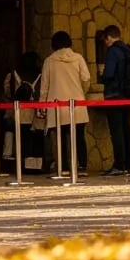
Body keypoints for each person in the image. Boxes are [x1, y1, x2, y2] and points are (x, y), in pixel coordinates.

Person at [42, 31, 91, 174]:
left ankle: (62, 167)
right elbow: (86, 79)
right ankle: (81, 166)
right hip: (77, 104)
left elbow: (44, 87)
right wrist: (81, 92)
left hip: (57, 105)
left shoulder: (49, 61)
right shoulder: (78, 58)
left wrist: (42, 105)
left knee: (59, 137)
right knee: (79, 136)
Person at [98, 25, 130, 176]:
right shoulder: (128, 49)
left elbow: (109, 74)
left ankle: (119, 164)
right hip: (128, 94)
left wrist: (101, 74)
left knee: (117, 131)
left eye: (105, 40)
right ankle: (128, 164)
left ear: (108, 37)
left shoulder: (113, 51)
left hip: (114, 95)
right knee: (126, 128)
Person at [1, 51, 43, 167]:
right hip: (36, 112)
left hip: (20, 111)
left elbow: (7, 92)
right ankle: (37, 165)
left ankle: (23, 165)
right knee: (37, 139)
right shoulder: (40, 74)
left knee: (23, 139)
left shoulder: (14, 74)